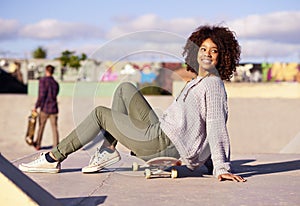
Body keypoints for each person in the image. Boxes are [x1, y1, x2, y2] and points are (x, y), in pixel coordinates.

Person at [19, 25, 246, 182]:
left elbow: (216, 126)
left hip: (163, 143)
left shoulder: (213, 85)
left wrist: (220, 167)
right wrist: (204, 163)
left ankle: (53, 158)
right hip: (161, 131)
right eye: (203, 49)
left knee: (100, 114)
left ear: (222, 56)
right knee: (125, 88)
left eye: (213, 51)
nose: (207, 54)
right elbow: (200, 129)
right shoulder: (198, 81)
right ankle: (107, 150)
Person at [32, 64, 60, 150]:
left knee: (41, 127)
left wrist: (36, 106)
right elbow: (56, 93)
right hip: (54, 108)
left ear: (46, 71)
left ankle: (38, 144)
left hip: (45, 108)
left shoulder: (42, 81)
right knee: (54, 128)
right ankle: (56, 146)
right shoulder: (56, 83)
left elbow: (41, 95)